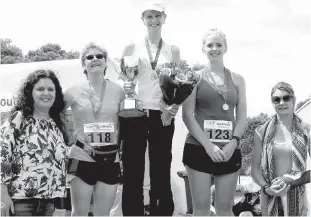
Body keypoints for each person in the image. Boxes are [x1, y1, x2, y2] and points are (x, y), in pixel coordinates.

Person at [119, 2, 180, 216]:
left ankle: (162, 213)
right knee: (133, 171)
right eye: (149, 16)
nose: (153, 20)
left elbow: (176, 84)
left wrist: (172, 108)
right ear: (142, 19)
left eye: (157, 15)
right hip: (135, 113)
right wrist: (126, 85)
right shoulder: (131, 47)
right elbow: (124, 79)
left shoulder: (172, 50)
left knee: (161, 171)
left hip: (161, 115)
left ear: (164, 18)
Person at [182, 28, 247, 216]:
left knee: (225, 209)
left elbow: (242, 118)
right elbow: (187, 115)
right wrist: (209, 146)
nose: (214, 48)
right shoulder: (194, 77)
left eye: (219, 44)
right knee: (201, 209)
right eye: (209, 45)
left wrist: (232, 143)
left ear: (225, 47)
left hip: (229, 150)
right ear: (203, 49)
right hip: (199, 148)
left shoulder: (238, 80)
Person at [64, 42, 125, 216]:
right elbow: (55, 115)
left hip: (110, 158)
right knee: (79, 213)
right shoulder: (72, 91)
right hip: (81, 157)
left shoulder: (119, 90)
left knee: (103, 214)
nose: (95, 59)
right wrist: (66, 139)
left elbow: (126, 121)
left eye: (99, 56)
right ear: (84, 64)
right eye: (89, 57)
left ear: (106, 62)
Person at [0, 69, 68, 216]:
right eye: (40, 89)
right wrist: (2, 195)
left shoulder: (55, 125)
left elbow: (60, 170)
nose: (46, 93)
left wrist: (60, 206)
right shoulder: (19, 118)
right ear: (30, 92)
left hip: (49, 205)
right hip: (20, 204)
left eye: (51, 89)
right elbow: (3, 155)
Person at [251, 81, 310, 216]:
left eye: (286, 97)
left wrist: (291, 180)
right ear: (272, 103)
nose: (282, 102)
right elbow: (254, 170)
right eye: (276, 99)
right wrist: (267, 189)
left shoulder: (306, 130)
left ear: (293, 99)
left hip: (298, 200)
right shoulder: (261, 132)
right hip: (269, 198)